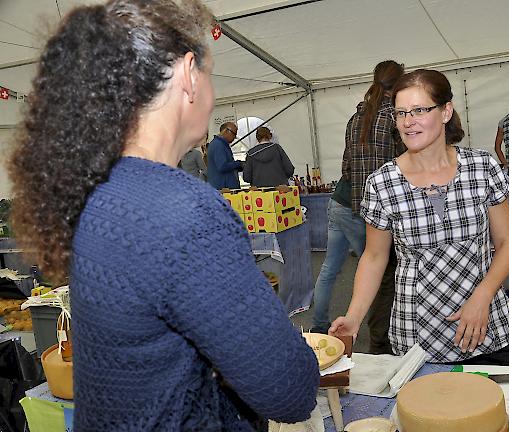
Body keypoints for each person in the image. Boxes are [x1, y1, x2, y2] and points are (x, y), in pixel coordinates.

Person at [7, 1, 319, 430]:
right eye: (211, 74)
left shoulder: (94, 191)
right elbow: (289, 390)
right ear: (189, 74)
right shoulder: (185, 213)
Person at [330, 69, 509, 366]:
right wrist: (354, 318)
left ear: (446, 111)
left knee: (503, 408)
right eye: (401, 113)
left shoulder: (482, 168)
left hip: (485, 326)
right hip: (418, 336)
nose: (408, 122)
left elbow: (508, 242)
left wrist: (482, 297)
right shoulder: (382, 183)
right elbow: (374, 257)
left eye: (419, 110)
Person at [310, 60, 404, 336]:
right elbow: (401, 166)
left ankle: (318, 325)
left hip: (339, 202)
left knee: (329, 268)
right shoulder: (395, 118)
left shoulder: (356, 117)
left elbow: (346, 166)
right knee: (377, 273)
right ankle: (381, 334)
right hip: (367, 208)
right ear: (398, 84)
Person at [208, 122, 243, 190]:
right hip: (224, 189)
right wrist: (238, 164)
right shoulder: (218, 145)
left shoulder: (220, 144)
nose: (235, 137)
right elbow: (222, 166)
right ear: (226, 131)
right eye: (234, 134)